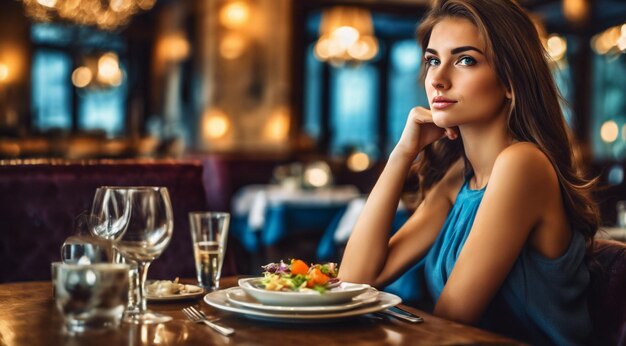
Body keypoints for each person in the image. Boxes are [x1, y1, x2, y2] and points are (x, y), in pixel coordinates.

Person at [338, 0, 599, 344]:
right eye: (433, 60)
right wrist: (403, 152)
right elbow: (355, 281)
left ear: (510, 81)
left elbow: (451, 321)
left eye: (465, 60)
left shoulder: (523, 165)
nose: (438, 80)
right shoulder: (460, 177)